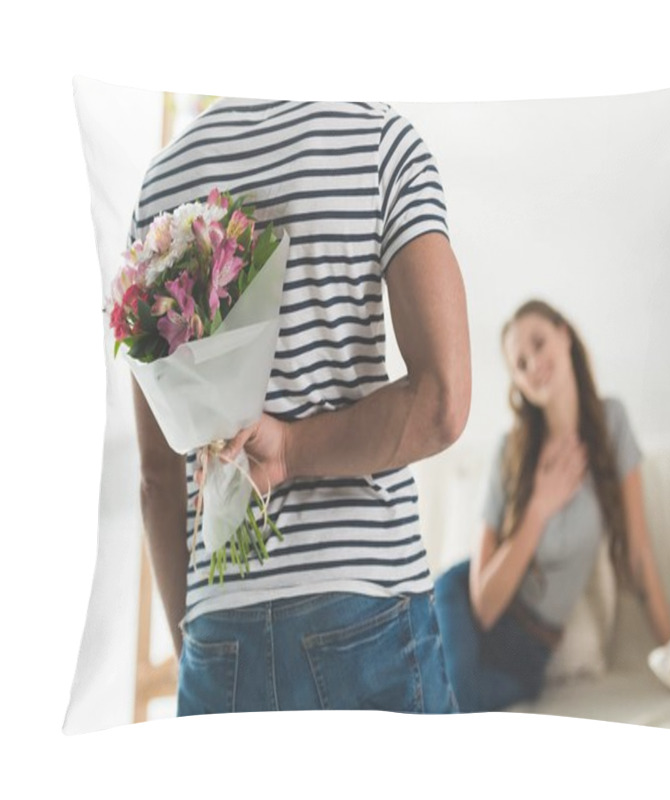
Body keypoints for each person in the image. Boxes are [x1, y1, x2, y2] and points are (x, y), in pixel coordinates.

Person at [131, 98, 470, 714]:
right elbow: (442, 402)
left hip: (217, 627)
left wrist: (198, 640)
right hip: (366, 605)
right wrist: (287, 451)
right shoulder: (380, 142)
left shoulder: (162, 181)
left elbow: (158, 476)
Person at [434, 299, 670, 713]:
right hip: (462, 610)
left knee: (455, 702)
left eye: (539, 344)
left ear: (564, 335)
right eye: (520, 364)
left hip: (531, 652)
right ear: (519, 385)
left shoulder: (612, 423)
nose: (533, 365)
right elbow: (485, 607)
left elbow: (639, 555)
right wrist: (540, 507)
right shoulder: (510, 452)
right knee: (446, 699)